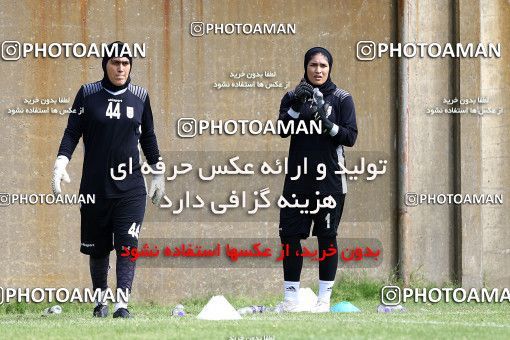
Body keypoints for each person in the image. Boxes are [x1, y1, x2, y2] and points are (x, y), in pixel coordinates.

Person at [52, 41, 165, 318]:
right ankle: (100, 302)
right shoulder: (88, 94)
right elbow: (71, 132)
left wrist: (158, 172)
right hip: (95, 188)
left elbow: (148, 136)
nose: (120, 68)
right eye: (115, 62)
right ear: (105, 64)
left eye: (125, 63)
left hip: (131, 188)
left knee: (128, 245)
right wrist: (60, 162)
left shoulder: (140, 96)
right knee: (99, 250)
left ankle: (122, 304)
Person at [276, 47, 358, 313]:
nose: (318, 70)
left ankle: (324, 299)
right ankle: (291, 299)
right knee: (289, 236)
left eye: (323, 65)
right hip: (298, 181)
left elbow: (350, 137)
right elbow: (282, 130)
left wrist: (327, 122)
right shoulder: (291, 97)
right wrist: (297, 109)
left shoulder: (342, 98)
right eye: (313, 65)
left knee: (327, 237)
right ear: (306, 67)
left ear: (330, 68)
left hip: (329, 181)